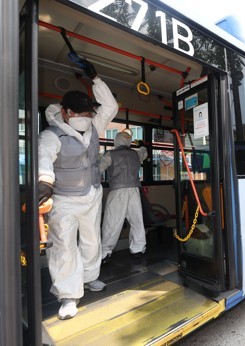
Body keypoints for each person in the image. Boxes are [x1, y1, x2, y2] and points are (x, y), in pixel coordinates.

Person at [38, 60, 119, 320]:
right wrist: (44, 181)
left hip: (92, 194)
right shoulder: (51, 135)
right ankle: (68, 295)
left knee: (92, 240)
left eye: (88, 114)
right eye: (80, 113)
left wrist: (96, 80)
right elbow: (44, 158)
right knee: (63, 247)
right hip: (63, 199)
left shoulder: (95, 126)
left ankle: (89, 277)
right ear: (65, 112)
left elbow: (111, 106)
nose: (86, 117)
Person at [100, 132, 148, 263]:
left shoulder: (110, 154)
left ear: (116, 141)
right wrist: (142, 145)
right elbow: (145, 152)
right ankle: (138, 249)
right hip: (134, 190)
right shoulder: (136, 153)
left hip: (117, 191)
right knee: (136, 221)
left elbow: (98, 169)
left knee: (112, 222)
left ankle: (105, 252)